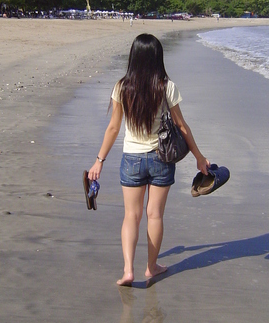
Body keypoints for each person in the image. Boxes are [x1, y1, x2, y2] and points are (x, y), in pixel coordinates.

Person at [88, 34, 210, 285]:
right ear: (157, 58)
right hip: (161, 159)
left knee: (131, 216)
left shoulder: (121, 87)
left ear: (133, 57)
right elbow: (181, 126)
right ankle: (151, 267)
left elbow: (113, 128)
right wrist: (198, 157)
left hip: (131, 158)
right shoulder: (167, 86)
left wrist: (99, 160)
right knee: (154, 215)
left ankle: (128, 271)